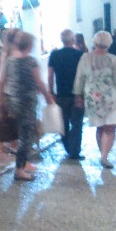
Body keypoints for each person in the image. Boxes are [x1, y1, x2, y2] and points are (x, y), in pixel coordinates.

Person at [73, 31, 116, 169]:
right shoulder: (112, 59)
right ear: (109, 43)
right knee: (110, 128)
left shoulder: (85, 57)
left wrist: (78, 96)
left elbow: (79, 78)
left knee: (100, 128)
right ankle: (104, 156)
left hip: (92, 97)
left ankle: (103, 153)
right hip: (110, 97)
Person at [4, 30, 55, 181]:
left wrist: (1, 100)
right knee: (27, 136)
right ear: (29, 44)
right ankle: (19, 169)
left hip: (14, 102)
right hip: (27, 103)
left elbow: (3, 81)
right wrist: (48, 97)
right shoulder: (30, 61)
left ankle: (22, 164)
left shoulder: (10, 60)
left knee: (22, 134)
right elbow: (39, 82)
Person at [48, 29, 85, 160]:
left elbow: (50, 74)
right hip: (77, 94)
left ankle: (68, 147)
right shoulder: (80, 55)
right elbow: (83, 76)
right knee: (77, 123)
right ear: (73, 39)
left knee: (63, 123)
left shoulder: (54, 55)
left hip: (61, 94)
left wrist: (51, 91)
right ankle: (74, 151)